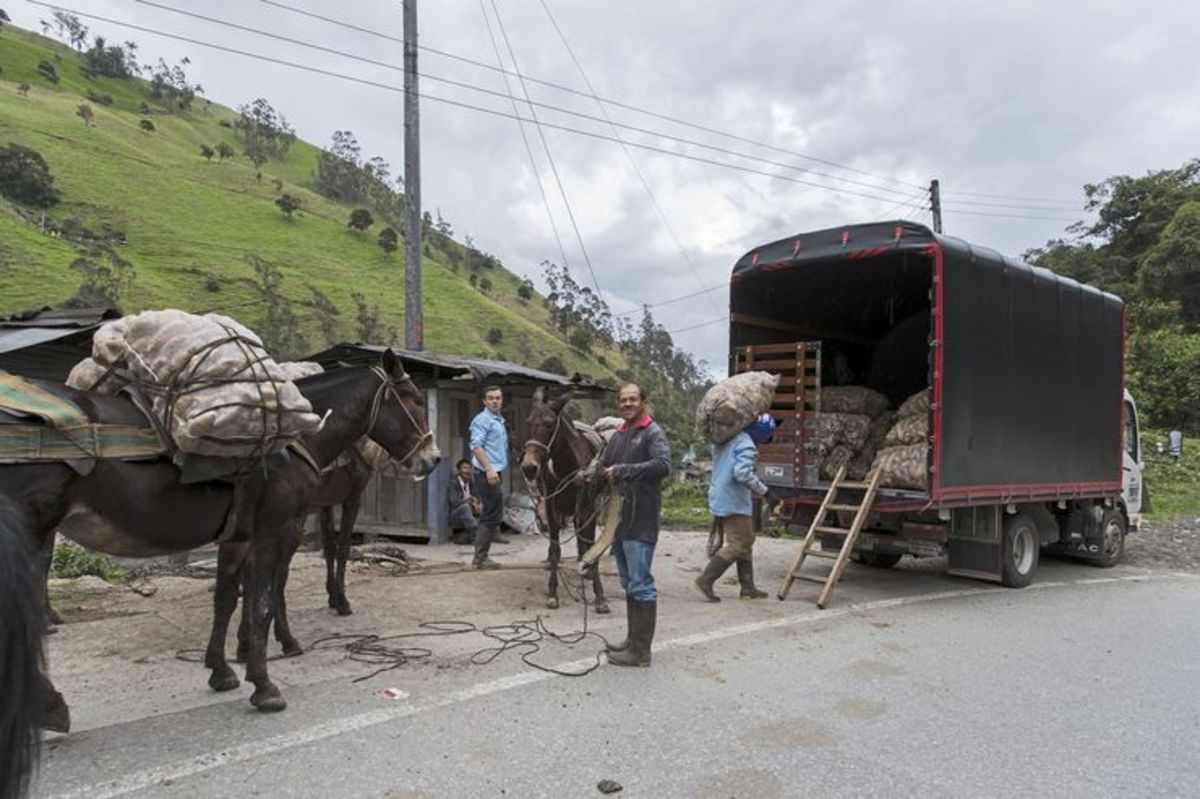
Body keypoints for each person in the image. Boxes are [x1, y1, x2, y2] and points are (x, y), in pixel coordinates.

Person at [598, 383, 671, 667]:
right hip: (619, 521)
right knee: (629, 583)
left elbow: (663, 465)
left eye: (633, 399)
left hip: (641, 520)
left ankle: (641, 652)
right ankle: (632, 642)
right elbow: (604, 464)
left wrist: (623, 471)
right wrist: (588, 476)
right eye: (623, 400)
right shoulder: (620, 435)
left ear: (643, 402)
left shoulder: (652, 432)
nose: (628, 404)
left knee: (641, 584)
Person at [695, 414, 778, 602]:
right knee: (741, 542)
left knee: (745, 540)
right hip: (734, 500)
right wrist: (766, 492)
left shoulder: (726, 439)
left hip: (720, 495)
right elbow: (742, 473)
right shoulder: (746, 443)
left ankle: (748, 588)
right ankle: (706, 579)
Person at [469, 385, 510, 569]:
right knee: (491, 514)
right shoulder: (482, 420)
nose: (495, 401)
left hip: (494, 471)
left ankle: (482, 556)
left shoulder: (498, 420)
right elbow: (476, 446)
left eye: (498, 398)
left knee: (493, 513)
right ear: (484, 401)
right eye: (491, 398)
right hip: (487, 472)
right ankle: (480, 558)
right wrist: (489, 469)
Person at [448, 459, 481, 545]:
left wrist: (478, 503)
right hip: (456, 514)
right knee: (465, 507)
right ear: (459, 471)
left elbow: (477, 496)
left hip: (470, 513)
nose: (467, 471)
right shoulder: (453, 483)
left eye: (469, 468)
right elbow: (454, 502)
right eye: (464, 468)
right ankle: (475, 538)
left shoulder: (471, 482)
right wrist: (469, 501)